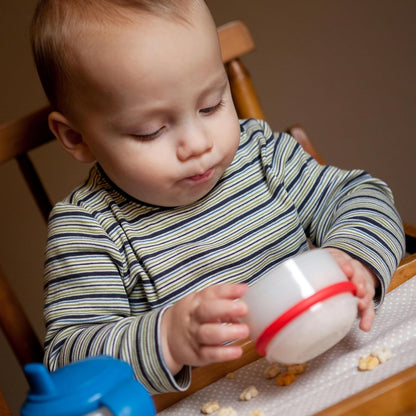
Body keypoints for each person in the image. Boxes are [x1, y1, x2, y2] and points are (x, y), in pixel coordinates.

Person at [31, 0, 405, 394]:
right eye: (150, 130)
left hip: (331, 362)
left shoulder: (260, 156)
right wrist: (167, 339)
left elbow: (362, 196)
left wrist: (357, 258)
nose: (197, 143)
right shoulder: (88, 227)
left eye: (211, 105)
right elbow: (67, 362)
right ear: (75, 137)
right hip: (218, 399)